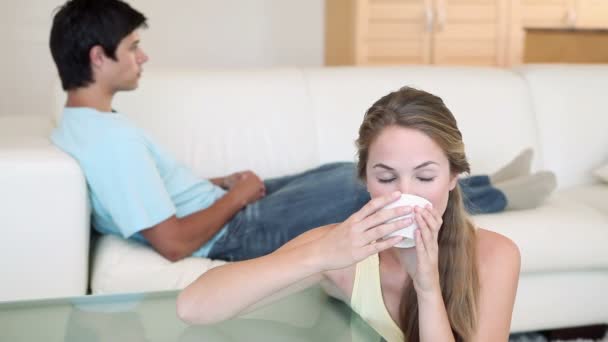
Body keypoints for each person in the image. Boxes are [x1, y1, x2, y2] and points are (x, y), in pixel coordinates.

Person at [49, 0, 551, 264]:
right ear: (99, 57)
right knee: (359, 188)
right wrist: (239, 197)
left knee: (342, 170)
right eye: (133, 47)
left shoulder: (87, 126)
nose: (143, 57)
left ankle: (487, 180)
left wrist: (221, 183)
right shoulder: (107, 141)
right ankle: (504, 194)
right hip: (229, 232)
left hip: (218, 206)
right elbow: (175, 244)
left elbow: (151, 192)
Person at [177, 86, 521, 342]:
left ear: (453, 178)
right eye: (386, 177)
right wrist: (320, 255)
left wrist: (427, 287)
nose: (404, 193)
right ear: (366, 180)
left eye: (425, 176)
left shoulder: (494, 256)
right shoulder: (342, 253)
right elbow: (193, 308)